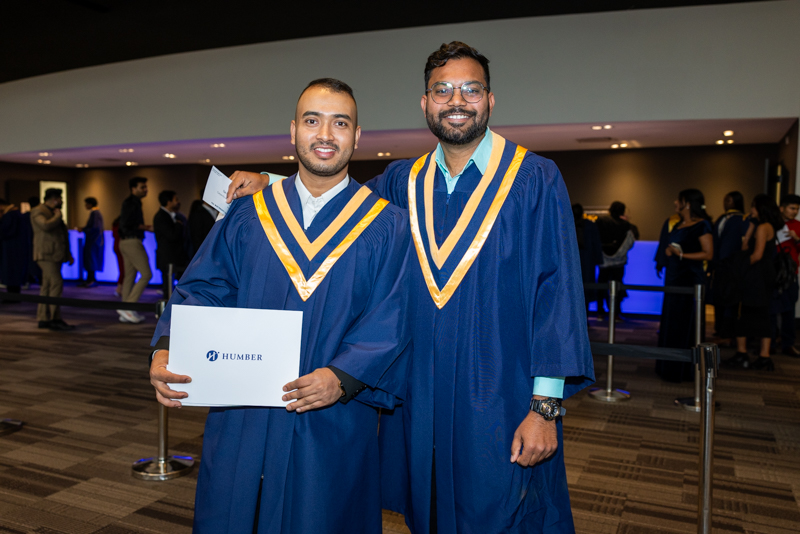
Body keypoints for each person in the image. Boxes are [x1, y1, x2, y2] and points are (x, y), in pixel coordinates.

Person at [226, 42, 595, 534]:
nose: (456, 100)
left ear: (490, 99)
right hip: (418, 391)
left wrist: (544, 408)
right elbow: (335, 197)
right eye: (442, 90)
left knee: (505, 510)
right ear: (425, 103)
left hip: (501, 390)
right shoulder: (403, 181)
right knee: (428, 510)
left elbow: (557, 294)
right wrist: (268, 181)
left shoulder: (534, 178)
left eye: (470, 89)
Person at [149, 78, 412, 533]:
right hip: (243, 415)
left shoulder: (387, 225)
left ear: (357, 136)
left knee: (324, 514)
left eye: (340, 123)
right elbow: (202, 289)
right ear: (293, 131)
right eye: (312, 121)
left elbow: (394, 316)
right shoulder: (249, 214)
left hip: (332, 414)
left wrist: (342, 377)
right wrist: (166, 348)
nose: (325, 134)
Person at [654, 189, 713, 382]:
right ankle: (668, 367)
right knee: (672, 322)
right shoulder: (678, 224)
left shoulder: (702, 226)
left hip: (690, 281)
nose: (675, 203)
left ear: (687, 203)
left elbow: (708, 253)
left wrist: (680, 255)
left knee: (685, 323)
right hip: (673, 279)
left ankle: (683, 371)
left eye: (678, 200)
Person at [724, 194, 784, 371]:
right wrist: (751, 224)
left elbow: (755, 255)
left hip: (756, 275)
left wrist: (738, 268)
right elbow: (746, 246)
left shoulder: (763, 227)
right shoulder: (765, 226)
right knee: (761, 313)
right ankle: (762, 356)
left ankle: (745, 354)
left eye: (753, 206)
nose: (751, 210)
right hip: (764, 275)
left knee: (744, 311)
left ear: (761, 209)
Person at [30, 188, 75, 331]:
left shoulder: (52, 212)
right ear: (54, 199)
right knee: (56, 283)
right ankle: (55, 318)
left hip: (55, 254)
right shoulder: (39, 211)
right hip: (46, 254)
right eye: (60, 199)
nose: (61, 202)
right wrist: (57, 216)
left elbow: (62, 235)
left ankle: (44, 318)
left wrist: (68, 254)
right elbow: (45, 225)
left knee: (48, 286)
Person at [709, 191, 748, 342]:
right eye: (725, 199)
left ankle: (727, 331)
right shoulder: (722, 218)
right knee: (718, 296)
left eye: (729, 200)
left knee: (730, 299)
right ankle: (719, 328)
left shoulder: (741, 219)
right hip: (719, 265)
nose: (726, 202)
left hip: (732, 265)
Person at [118, 177, 153, 323]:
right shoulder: (132, 203)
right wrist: (145, 227)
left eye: (145, 187)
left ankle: (126, 309)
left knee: (130, 276)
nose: (145, 190)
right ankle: (128, 307)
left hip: (126, 241)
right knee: (146, 274)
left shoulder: (131, 202)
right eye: (142, 187)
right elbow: (128, 223)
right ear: (133, 188)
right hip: (132, 241)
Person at [596, 201, 639, 319]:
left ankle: (600, 312)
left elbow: (595, 239)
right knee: (617, 288)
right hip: (619, 263)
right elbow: (631, 241)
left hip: (604, 261)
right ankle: (615, 313)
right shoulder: (626, 225)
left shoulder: (601, 221)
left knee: (602, 287)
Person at [770, 194, 800, 357]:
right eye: (792, 208)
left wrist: (797, 239)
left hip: (790, 273)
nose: (795, 212)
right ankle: (771, 342)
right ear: (782, 208)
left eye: (797, 209)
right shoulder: (773, 224)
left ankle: (788, 344)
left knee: (789, 310)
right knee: (772, 309)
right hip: (774, 272)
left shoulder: (797, 226)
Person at [153, 190, 189, 297]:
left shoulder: (174, 215)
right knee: (168, 289)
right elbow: (171, 236)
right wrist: (178, 225)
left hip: (176, 258)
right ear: (168, 202)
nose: (178, 202)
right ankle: (168, 312)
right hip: (167, 258)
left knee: (178, 284)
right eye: (176, 199)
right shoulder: (161, 216)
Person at [573, 203, 603, 313]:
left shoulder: (566, 225)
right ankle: (584, 319)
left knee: (579, 291)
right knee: (584, 291)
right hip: (586, 262)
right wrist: (599, 260)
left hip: (578, 262)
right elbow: (596, 243)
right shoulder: (589, 225)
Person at [0, 198, 31, 302]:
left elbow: (5, 231)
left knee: (11, 272)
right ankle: (14, 296)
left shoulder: (10, 215)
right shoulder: (18, 214)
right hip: (19, 248)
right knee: (15, 273)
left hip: (11, 248)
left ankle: (12, 297)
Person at [78, 197, 104, 288]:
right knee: (90, 260)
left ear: (90, 204)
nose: (85, 206)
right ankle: (90, 279)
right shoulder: (95, 213)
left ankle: (91, 279)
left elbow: (95, 228)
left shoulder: (95, 213)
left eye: (86, 204)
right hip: (93, 240)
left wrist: (84, 229)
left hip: (93, 241)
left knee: (91, 260)